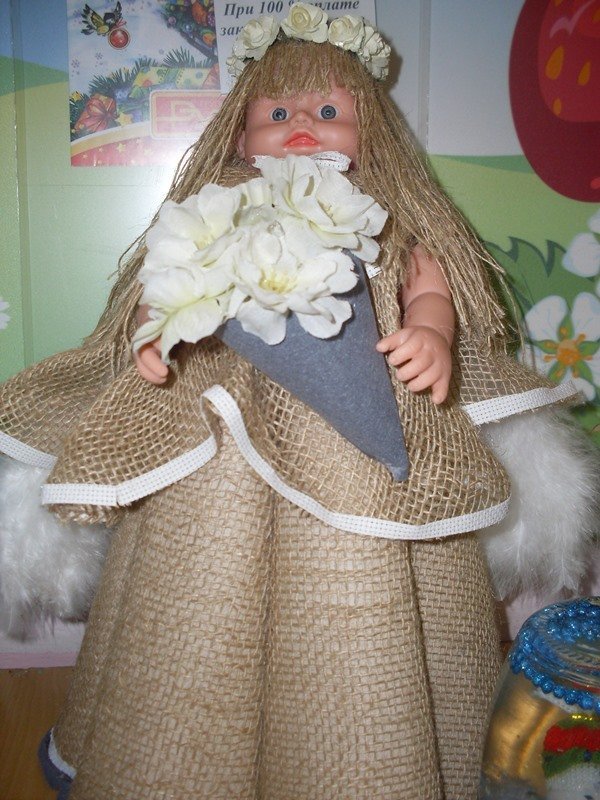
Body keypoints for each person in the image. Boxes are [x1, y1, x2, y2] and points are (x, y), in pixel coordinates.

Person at [0, 5, 592, 799]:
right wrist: (154, 334)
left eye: (328, 111)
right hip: (222, 438)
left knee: (366, 579)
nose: (302, 127)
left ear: (370, 129)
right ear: (240, 135)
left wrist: (431, 335)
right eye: (277, 114)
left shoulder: (393, 216)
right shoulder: (217, 210)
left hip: (368, 439)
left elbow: (428, 287)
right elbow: (168, 283)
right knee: (205, 579)